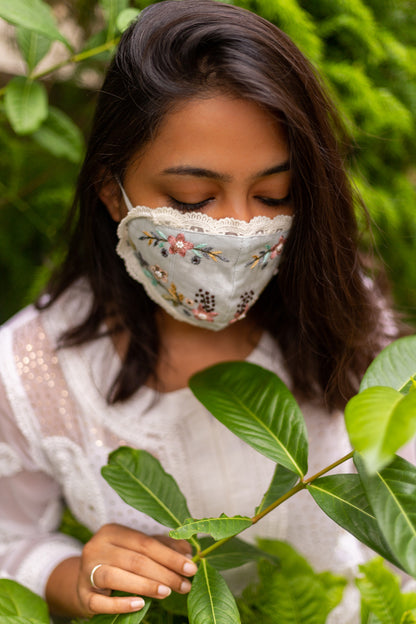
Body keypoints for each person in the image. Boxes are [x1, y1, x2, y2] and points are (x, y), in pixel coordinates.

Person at [0, 0, 403, 621]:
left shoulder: (341, 309)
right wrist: (72, 575)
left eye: (275, 194)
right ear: (113, 192)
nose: (241, 230)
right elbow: (8, 540)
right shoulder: (34, 371)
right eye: (193, 200)